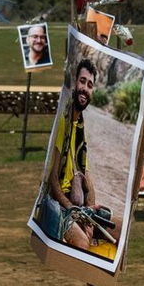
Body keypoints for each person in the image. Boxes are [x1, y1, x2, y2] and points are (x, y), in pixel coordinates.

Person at [36, 58, 123, 255]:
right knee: (83, 244)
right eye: (82, 82)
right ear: (75, 83)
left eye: (90, 85)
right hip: (62, 206)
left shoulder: (80, 126)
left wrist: (90, 208)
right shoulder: (63, 122)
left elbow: (87, 177)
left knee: (121, 229)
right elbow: (53, 179)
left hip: (81, 208)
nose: (85, 88)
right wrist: (74, 210)